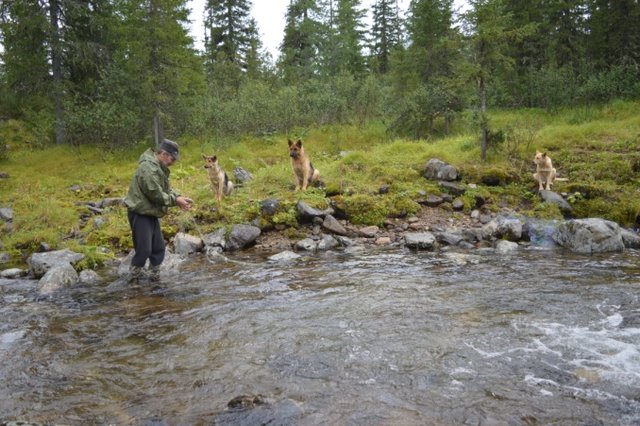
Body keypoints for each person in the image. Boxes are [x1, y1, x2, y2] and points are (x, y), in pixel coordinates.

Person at [124, 139, 193, 283]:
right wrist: (176, 201)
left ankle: (154, 279)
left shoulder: (158, 167)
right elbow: (154, 192)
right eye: (172, 159)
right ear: (164, 154)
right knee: (144, 251)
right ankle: (133, 281)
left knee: (158, 249)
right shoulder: (147, 168)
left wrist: (178, 197)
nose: (173, 163)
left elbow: (164, 190)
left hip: (150, 213)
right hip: (140, 213)